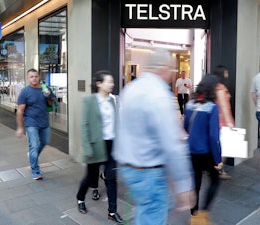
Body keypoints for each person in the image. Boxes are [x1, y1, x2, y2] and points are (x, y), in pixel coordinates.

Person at [113, 49, 195, 225]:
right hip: (150, 173)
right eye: (172, 70)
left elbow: (121, 127)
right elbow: (171, 144)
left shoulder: (131, 88)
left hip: (129, 169)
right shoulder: (158, 95)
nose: (172, 75)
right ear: (164, 68)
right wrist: (183, 184)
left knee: (147, 210)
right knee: (154, 213)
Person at [76, 70, 123, 223]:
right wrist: (87, 147)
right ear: (99, 84)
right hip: (96, 145)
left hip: (111, 145)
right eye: (109, 81)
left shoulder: (114, 100)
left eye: (113, 81)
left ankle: (112, 211)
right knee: (91, 177)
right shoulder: (89, 101)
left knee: (111, 178)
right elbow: (84, 125)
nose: (112, 84)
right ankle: (80, 198)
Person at [184, 74, 223, 224]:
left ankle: (194, 215)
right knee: (215, 180)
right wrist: (218, 159)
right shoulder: (212, 107)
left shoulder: (189, 104)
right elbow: (214, 136)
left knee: (195, 182)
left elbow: (186, 127)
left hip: (191, 150)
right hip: (206, 152)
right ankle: (203, 213)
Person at [16, 68, 55, 180]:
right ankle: (35, 171)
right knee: (33, 145)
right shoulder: (25, 91)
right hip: (31, 122)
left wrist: (48, 96)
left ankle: (33, 154)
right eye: (31, 76)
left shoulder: (45, 88)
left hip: (44, 121)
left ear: (39, 77)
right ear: (28, 78)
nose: (34, 78)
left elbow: (51, 104)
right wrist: (19, 127)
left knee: (45, 142)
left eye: (36, 76)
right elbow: (20, 110)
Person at [212, 65, 235, 180]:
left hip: (219, 120)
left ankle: (216, 168)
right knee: (225, 148)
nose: (227, 74)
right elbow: (223, 106)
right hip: (222, 121)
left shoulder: (216, 87)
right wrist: (229, 123)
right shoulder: (220, 88)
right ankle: (218, 170)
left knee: (222, 147)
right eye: (225, 72)